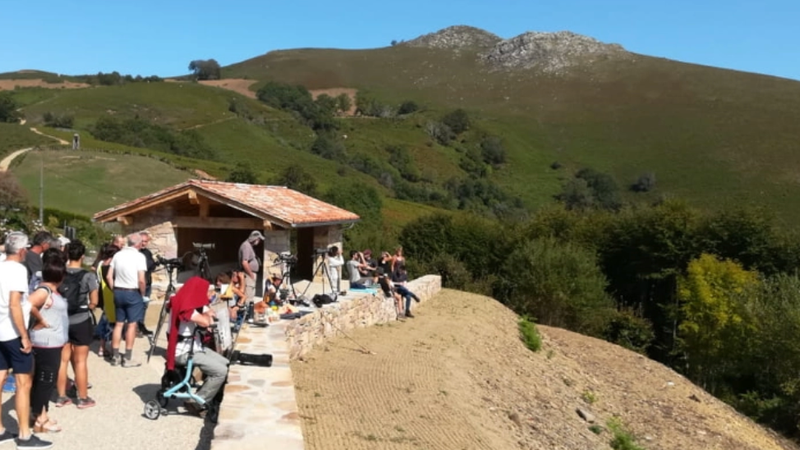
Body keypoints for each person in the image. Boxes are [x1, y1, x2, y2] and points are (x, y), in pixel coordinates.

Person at [0, 231, 53, 449]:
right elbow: (15, 303)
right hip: (12, 332)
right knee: (23, 383)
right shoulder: (18, 270)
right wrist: (24, 335)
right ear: (22, 251)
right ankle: (24, 434)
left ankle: (0, 428)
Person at [166, 277, 229, 418]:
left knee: (225, 362)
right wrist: (207, 316)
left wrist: (207, 313)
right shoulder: (185, 306)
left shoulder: (189, 302)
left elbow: (210, 312)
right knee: (220, 371)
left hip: (195, 347)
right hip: (184, 352)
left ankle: (209, 393)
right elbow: (205, 321)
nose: (207, 295)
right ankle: (196, 402)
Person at [29, 248, 69, 433]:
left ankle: (39, 414)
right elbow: (28, 304)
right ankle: (40, 418)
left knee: (43, 381)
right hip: (45, 343)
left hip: (51, 343)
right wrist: (41, 319)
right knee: (45, 381)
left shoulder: (51, 291)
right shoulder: (44, 290)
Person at [54, 240, 97, 408]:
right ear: (83, 256)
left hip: (62, 320)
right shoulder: (88, 276)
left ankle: (61, 396)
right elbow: (94, 300)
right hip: (80, 320)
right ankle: (83, 397)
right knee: (80, 361)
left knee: (62, 361)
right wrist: (88, 307)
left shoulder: (60, 274)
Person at [106, 233, 146, 368]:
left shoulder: (118, 255)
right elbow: (141, 279)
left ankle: (115, 355)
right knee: (132, 325)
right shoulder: (140, 257)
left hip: (119, 291)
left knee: (118, 324)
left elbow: (109, 276)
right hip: (132, 292)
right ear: (139, 243)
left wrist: (114, 289)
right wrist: (143, 294)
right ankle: (127, 358)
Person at [94, 244, 120, 358]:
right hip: (112, 295)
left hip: (104, 294)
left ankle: (101, 347)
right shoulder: (112, 266)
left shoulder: (100, 264)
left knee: (105, 321)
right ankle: (112, 350)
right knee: (113, 324)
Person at [138, 231, 156, 337]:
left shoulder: (148, 253)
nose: (144, 243)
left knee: (144, 306)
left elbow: (152, 265)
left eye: (145, 241)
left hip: (148, 283)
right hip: (139, 284)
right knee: (137, 306)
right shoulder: (136, 253)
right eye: (142, 241)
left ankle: (141, 326)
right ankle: (135, 328)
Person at [238, 231, 264, 303]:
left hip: (251, 274)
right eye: (259, 239)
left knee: (251, 294)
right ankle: (248, 312)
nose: (259, 241)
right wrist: (251, 274)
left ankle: (250, 311)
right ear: (255, 239)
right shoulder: (246, 246)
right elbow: (244, 262)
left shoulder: (249, 246)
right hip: (248, 274)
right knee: (248, 296)